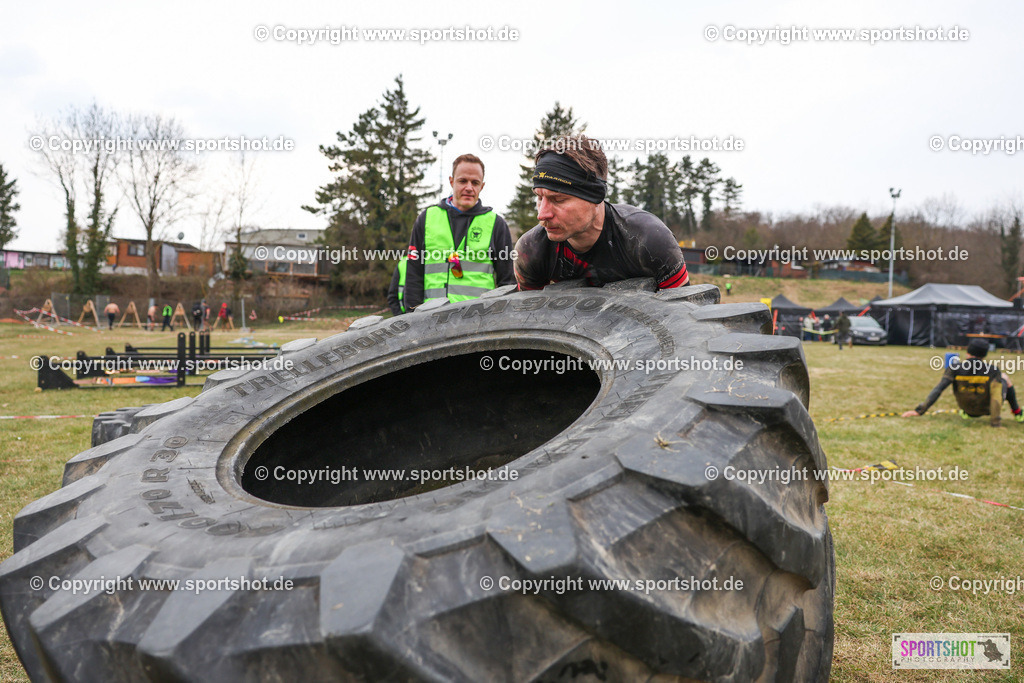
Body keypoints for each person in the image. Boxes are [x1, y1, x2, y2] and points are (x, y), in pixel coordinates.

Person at [514, 135, 689, 291]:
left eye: (558, 200)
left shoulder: (648, 240)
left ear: (595, 196)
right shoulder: (531, 250)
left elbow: (682, 316)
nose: (542, 215)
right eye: (539, 198)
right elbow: (528, 319)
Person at [403, 154, 515, 310]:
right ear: (451, 181)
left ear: (481, 186)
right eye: (463, 181)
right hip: (430, 319)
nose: (469, 188)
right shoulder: (426, 218)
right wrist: (412, 314)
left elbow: (507, 283)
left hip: (478, 321)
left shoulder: (497, 224)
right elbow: (413, 274)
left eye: (475, 183)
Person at [902, 338, 1023, 427]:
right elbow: (997, 397)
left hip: (967, 410)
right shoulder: (992, 370)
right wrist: (995, 422)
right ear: (984, 354)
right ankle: (1018, 412)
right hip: (987, 410)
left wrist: (919, 411)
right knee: (1004, 378)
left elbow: (939, 389)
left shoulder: (954, 367)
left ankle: (967, 413)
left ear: (968, 351)